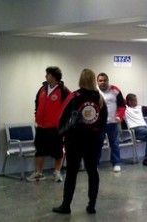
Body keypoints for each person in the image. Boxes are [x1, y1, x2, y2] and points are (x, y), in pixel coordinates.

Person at [52, 69, 108, 214]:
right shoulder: (99, 98)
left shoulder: (74, 96)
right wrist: (95, 132)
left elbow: (62, 119)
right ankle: (92, 205)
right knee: (93, 172)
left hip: (75, 141)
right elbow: (103, 122)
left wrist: (63, 133)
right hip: (94, 142)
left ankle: (66, 205)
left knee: (71, 173)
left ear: (81, 80)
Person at [26, 66, 70, 182]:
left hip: (56, 128)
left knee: (58, 151)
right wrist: (37, 116)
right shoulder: (42, 89)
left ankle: (57, 173)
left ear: (54, 76)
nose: (46, 76)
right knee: (40, 150)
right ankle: (38, 173)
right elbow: (37, 103)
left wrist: (63, 123)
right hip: (41, 127)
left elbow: (70, 108)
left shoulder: (64, 91)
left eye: (48, 74)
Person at [97, 72, 126, 172]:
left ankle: (116, 163)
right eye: (100, 81)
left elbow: (122, 105)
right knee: (97, 145)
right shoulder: (94, 91)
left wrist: (119, 116)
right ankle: (95, 164)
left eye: (104, 80)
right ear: (97, 82)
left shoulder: (115, 90)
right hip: (98, 124)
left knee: (114, 144)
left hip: (113, 122)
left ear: (108, 80)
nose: (102, 82)